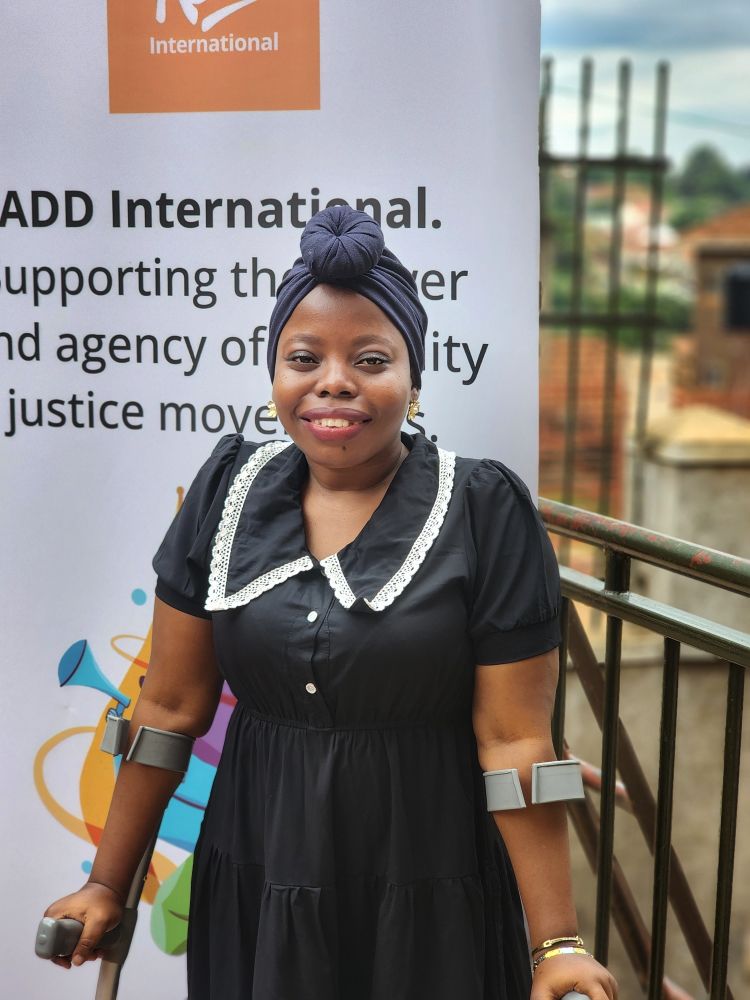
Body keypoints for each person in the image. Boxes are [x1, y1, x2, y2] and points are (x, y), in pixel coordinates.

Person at [43, 206, 617, 1000]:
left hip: (428, 875)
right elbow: (168, 707)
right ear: (275, 373)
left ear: (413, 379)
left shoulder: (483, 508)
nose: (334, 381)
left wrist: (557, 943)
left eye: (371, 359)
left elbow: (517, 743)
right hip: (258, 863)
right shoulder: (226, 490)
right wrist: (107, 885)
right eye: (303, 357)